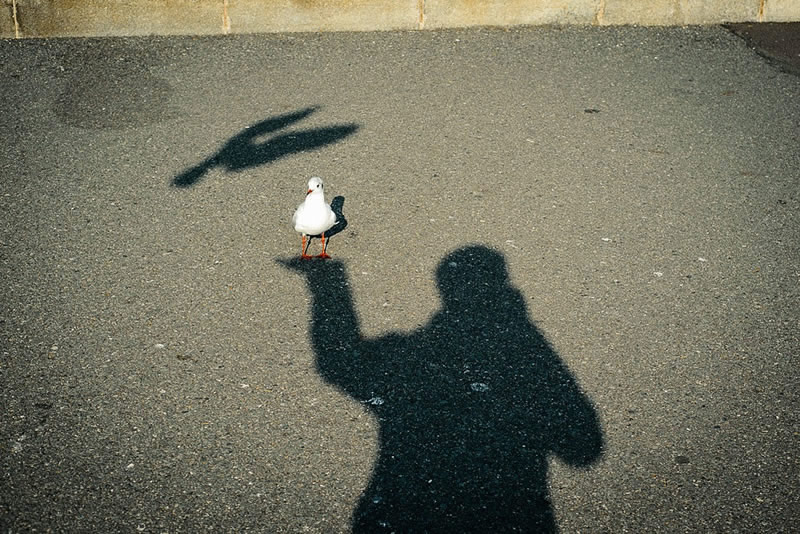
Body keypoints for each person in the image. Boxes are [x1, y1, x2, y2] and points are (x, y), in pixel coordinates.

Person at [279, 245, 603, 532]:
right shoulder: (524, 352)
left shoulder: (404, 357)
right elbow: (583, 447)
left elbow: (338, 362)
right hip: (507, 518)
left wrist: (327, 284)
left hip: (403, 514)